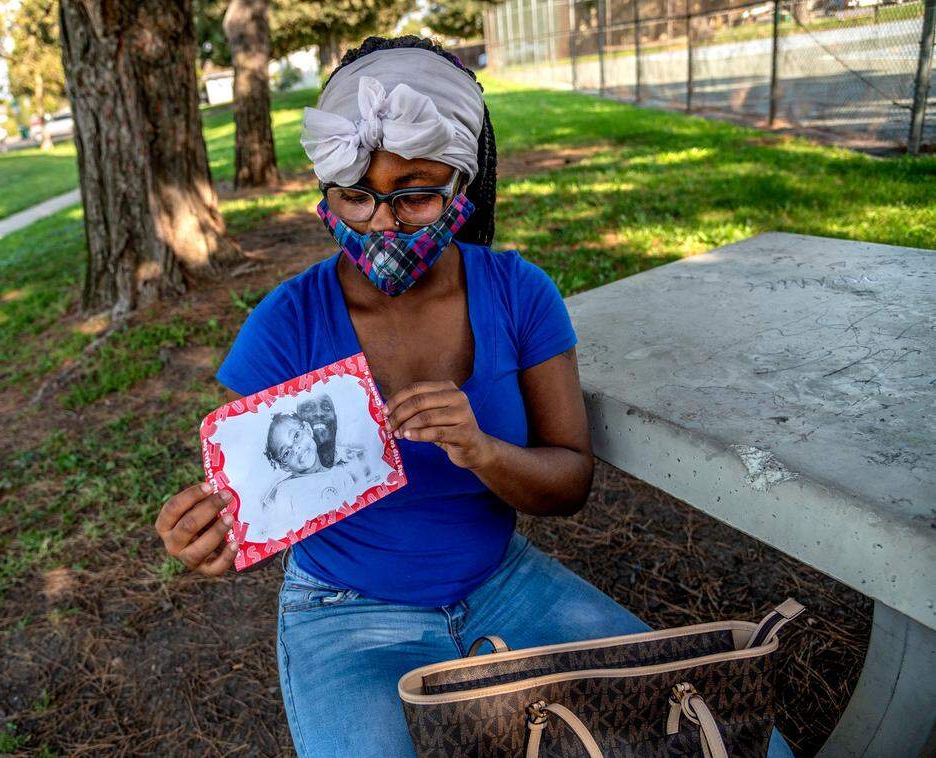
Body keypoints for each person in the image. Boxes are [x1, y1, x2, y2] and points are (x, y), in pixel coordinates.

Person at [154, 36, 796, 757]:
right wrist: (210, 537)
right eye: (354, 196)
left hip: (503, 583)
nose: (382, 224)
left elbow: (570, 482)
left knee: (729, 739)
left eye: (414, 195)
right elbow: (248, 498)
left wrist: (483, 451)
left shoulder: (518, 294)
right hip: (343, 611)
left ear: (462, 183)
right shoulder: (287, 322)